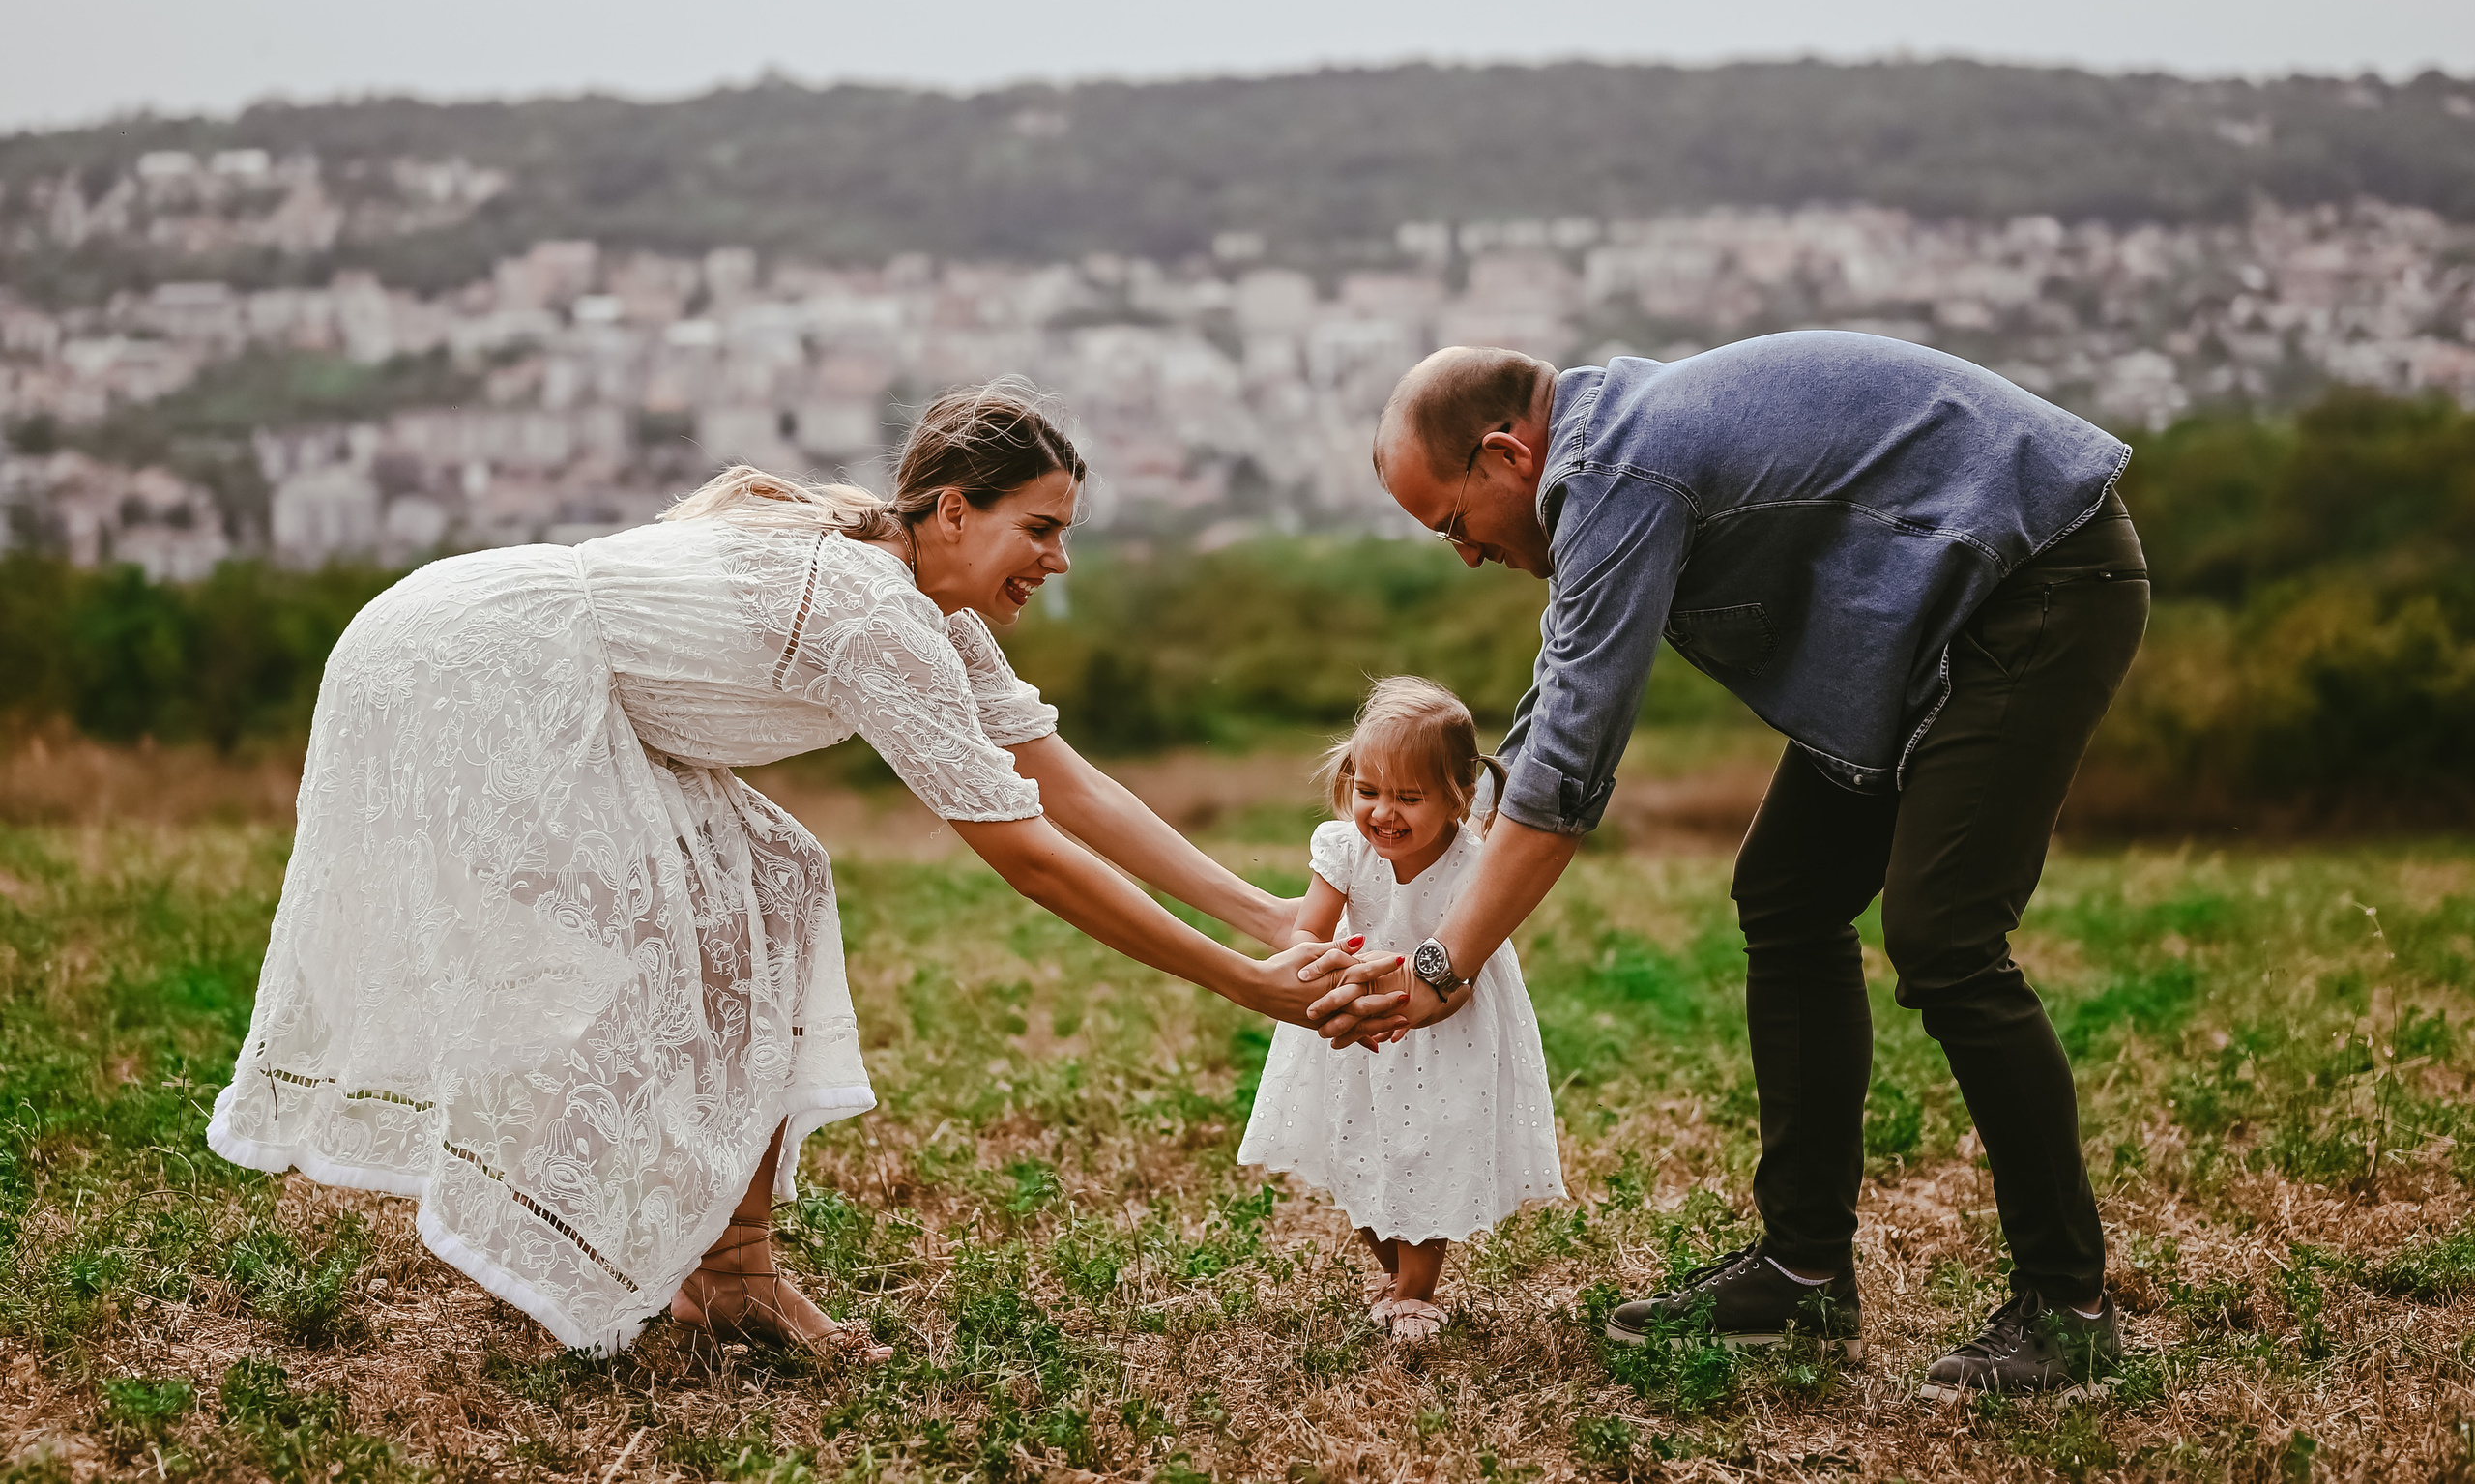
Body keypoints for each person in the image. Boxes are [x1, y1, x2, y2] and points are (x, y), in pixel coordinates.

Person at [208, 380, 1332, 1358]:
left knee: (775, 884)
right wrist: (1245, 986)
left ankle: (730, 1272)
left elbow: (1066, 786)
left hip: (516, 658)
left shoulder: (930, 613)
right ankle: (594, 1228)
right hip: (475, 667)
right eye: (1038, 529)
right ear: (952, 511)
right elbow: (1028, 855)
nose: (1058, 559)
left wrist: (1269, 918)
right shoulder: (875, 616)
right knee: (669, 939)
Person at [1307, 334, 2150, 1398]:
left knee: (1944, 936)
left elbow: (1571, 763)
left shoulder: (1619, 471)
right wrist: (1435, 853)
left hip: (2038, 577)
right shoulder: (1609, 460)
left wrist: (1441, 967)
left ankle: (2068, 1307)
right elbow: (1555, 699)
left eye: (1451, 522)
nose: (1465, 554)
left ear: (1507, 454)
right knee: (1789, 895)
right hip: (1932, 612)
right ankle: (1803, 1274)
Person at [1238, 678, 1566, 1341]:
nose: (1384, 813)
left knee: (1424, 1153)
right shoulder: (1345, 850)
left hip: (1443, 1032)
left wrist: (1411, 996)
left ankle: (1416, 1293)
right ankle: (1393, 1272)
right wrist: (1327, 973)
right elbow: (1307, 932)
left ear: (1458, 795)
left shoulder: (1477, 867)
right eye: (1369, 791)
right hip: (1356, 1024)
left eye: (1409, 798)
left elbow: (1461, 980)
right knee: (1353, 1149)